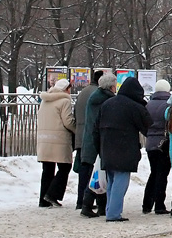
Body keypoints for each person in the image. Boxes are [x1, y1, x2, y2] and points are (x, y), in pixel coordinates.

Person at [94, 76, 152, 222]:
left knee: (112, 180)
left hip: (106, 147)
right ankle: (113, 214)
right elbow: (147, 126)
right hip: (125, 148)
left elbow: (95, 129)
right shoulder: (134, 106)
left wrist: (99, 148)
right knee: (121, 181)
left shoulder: (107, 104)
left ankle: (110, 210)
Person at [79, 73, 117, 218]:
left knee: (100, 173)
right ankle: (87, 205)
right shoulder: (104, 100)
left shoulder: (97, 97)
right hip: (98, 141)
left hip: (94, 140)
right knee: (97, 173)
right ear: (111, 86)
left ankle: (101, 206)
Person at [36, 79, 75, 207]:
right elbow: (68, 121)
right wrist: (77, 131)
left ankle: (43, 199)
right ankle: (52, 195)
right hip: (59, 139)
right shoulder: (65, 101)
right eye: (69, 88)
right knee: (65, 167)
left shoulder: (45, 100)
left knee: (47, 169)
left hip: (44, 139)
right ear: (66, 89)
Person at [142, 79, 172, 215]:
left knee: (153, 172)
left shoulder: (149, 104)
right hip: (163, 143)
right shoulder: (169, 105)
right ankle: (159, 204)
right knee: (162, 174)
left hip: (150, 143)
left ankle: (147, 204)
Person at [73, 70, 103, 210]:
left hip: (80, 135)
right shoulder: (98, 94)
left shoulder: (83, 92)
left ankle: (80, 199)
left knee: (83, 169)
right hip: (92, 136)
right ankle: (88, 200)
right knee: (92, 170)